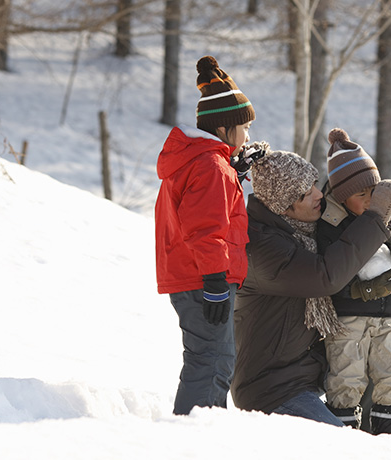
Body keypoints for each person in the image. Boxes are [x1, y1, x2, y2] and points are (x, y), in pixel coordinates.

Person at [230, 149, 391, 425]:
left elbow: (346, 219)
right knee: (340, 447)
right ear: (284, 205)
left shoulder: (301, 231)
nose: (319, 195)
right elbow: (325, 276)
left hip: (311, 377)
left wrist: (390, 203)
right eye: (307, 193)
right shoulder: (262, 248)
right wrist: (375, 215)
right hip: (273, 389)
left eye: (316, 184)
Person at [154, 55, 264, 415]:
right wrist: (216, 280)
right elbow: (205, 228)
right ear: (224, 128)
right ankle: (193, 437)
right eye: (244, 127)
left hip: (193, 276)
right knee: (212, 362)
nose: (248, 135)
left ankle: (196, 431)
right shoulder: (210, 166)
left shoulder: (205, 161)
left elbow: (204, 212)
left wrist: (233, 170)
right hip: (204, 279)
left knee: (211, 359)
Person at [315, 128, 391, 435]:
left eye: (373, 191)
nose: (369, 200)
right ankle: (342, 438)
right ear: (340, 196)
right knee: (345, 379)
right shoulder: (330, 223)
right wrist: (360, 289)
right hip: (347, 317)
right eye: (359, 195)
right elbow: (332, 268)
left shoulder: (388, 212)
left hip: (389, 315)